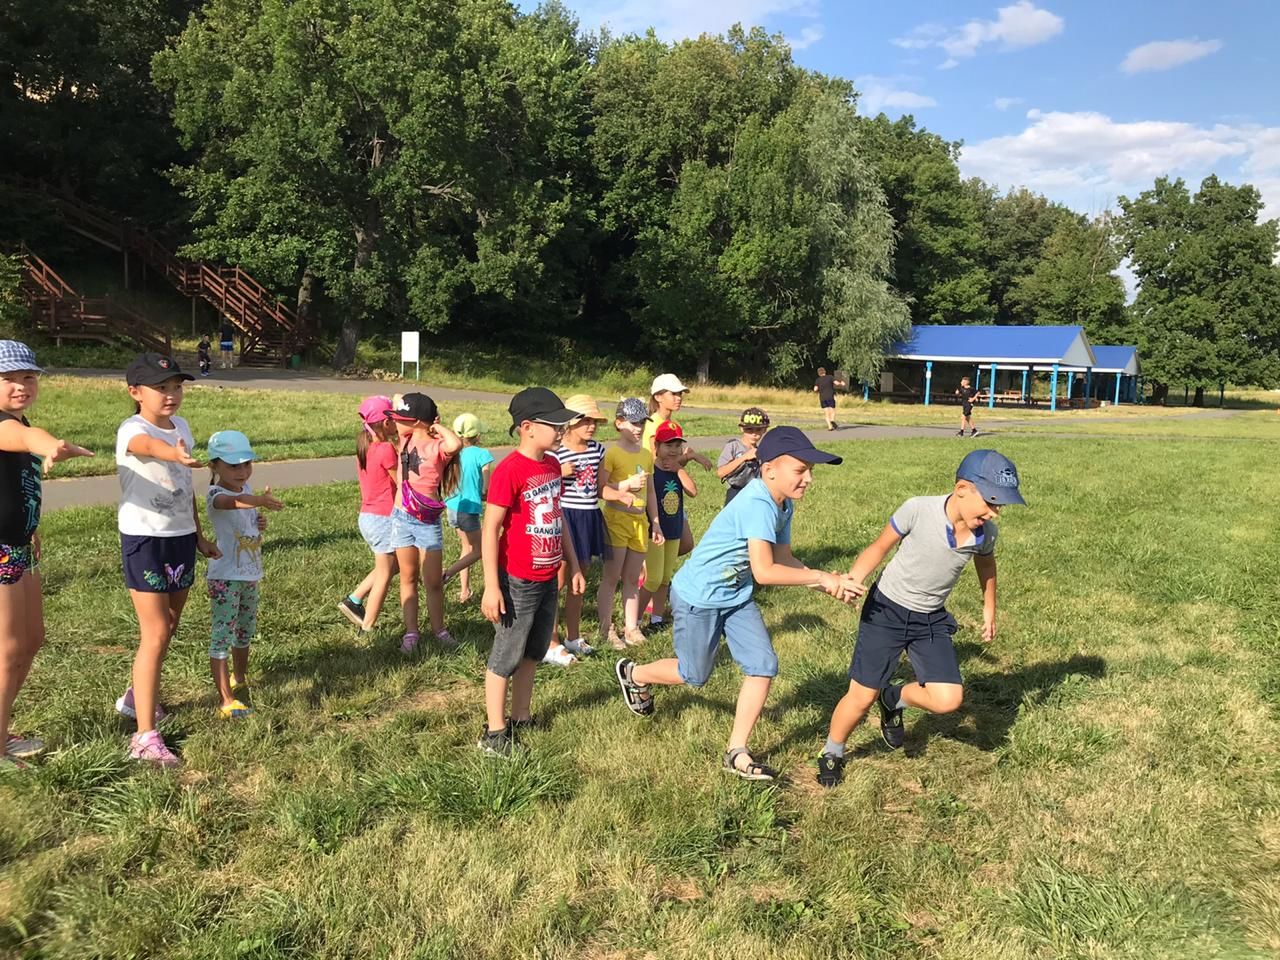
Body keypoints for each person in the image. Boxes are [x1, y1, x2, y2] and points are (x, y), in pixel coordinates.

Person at [615, 427, 862, 781]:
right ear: (769, 469)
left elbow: (784, 558)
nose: (808, 478)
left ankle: (737, 751)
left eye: (811, 471)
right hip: (699, 596)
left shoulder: (783, 503)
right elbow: (765, 571)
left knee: (762, 665)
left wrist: (826, 581)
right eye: (800, 470)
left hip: (735, 595)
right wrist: (823, 578)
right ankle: (633, 673)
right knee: (694, 675)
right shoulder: (758, 503)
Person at [815, 450, 1025, 789]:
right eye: (990, 501)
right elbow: (879, 547)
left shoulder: (985, 535)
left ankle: (894, 698)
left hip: (930, 619)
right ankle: (833, 750)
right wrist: (854, 577)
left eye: (1000, 506)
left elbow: (986, 567)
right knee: (861, 695)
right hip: (887, 611)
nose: (995, 512)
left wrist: (990, 608)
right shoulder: (918, 509)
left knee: (949, 699)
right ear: (961, 489)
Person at [115, 353, 220, 766]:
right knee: (156, 632)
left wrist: (198, 536)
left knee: (169, 626)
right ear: (135, 392)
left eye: (177, 386)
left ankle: (134, 697)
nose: (172, 395)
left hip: (178, 539)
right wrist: (173, 454)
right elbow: (147, 447)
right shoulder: (132, 429)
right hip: (146, 540)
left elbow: (184, 487)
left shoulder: (183, 428)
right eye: (162, 388)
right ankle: (144, 737)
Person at [0, 342, 94, 767]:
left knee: (32, 639)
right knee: (9, 648)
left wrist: (32, 527)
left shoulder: (19, 421)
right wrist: (50, 444)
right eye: (8, 379)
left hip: (21, 543)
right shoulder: (5, 426)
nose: (21, 385)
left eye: (28, 377)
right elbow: (24, 438)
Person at [478, 387, 584, 756]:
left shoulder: (553, 465)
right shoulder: (509, 470)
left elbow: (560, 518)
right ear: (527, 427)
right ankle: (494, 733)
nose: (561, 430)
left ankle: (521, 716)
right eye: (554, 424)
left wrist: (571, 562)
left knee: (533, 652)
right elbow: (490, 529)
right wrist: (492, 587)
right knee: (506, 655)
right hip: (517, 580)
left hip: (547, 576)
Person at [550, 394, 646, 664]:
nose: (591, 426)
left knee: (579, 582)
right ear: (569, 422)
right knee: (558, 580)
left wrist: (621, 494)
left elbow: (601, 488)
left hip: (589, 516)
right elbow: (541, 481)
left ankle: (573, 636)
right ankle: (551, 640)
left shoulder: (597, 450)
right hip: (565, 516)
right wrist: (559, 471)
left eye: (594, 421)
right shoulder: (555, 451)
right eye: (585, 420)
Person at [204, 430, 283, 719]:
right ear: (214, 466)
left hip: (249, 574)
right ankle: (226, 700)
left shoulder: (246, 489)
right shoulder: (216, 494)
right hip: (225, 576)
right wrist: (258, 501)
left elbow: (247, 517)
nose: (242, 471)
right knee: (222, 634)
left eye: (246, 464)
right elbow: (231, 504)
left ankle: (240, 678)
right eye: (233, 466)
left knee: (245, 631)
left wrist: (259, 521)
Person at [388, 393, 462, 654]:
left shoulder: (438, 446)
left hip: (426, 522)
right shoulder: (404, 439)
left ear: (418, 422)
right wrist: (405, 407)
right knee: (407, 577)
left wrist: (436, 425)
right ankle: (411, 631)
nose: (396, 422)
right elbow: (396, 399)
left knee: (432, 581)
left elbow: (455, 444)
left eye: (402, 419)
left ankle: (439, 629)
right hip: (401, 518)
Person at [598, 397, 660, 650]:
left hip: (639, 524)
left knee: (633, 578)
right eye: (633, 423)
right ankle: (605, 627)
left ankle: (631, 627)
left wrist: (654, 522)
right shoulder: (612, 453)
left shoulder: (646, 454)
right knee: (612, 577)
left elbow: (652, 492)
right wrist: (625, 486)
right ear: (619, 423)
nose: (639, 428)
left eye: (642, 424)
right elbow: (601, 488)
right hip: (616, 520)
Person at [338, 396, 400, 632]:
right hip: (383, 518)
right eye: (394, 418)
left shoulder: (366, 446)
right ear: (386, 423)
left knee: (395, 567)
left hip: (369, 517)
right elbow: (401, 483)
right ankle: (368, 625)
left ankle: (354, 600)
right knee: (386, 572)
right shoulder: (386, 450)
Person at [638, 421, 697, 631]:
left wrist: (680, 469)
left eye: (677, 445)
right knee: (652, 578)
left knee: (664, 578)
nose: (673, 450)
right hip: (655, 531)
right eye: (668, 445)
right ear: (657, 446)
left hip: (674, 530)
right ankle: (634, 621)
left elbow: (693, 491)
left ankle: (656, 619)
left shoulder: (676, 469)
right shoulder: (651, 470)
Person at [645, 373, 712, 555]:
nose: (678, 398)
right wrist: (687, 459)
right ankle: (643, 574)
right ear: (658, 397)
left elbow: (671, 463)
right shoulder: (653, 425)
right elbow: (661, 463)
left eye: (680, 394)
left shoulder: (670, 423)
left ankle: (656, 575)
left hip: (672, 490)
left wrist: (689, 458)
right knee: (664, 545)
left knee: (686, 544)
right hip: (658, 493)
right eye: (673, 394)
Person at [443, 413, 494, 604]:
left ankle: (464, 591)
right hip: (469, 509)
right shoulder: (482, 454)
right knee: (480, 550)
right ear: (478, 436)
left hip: (452, 507)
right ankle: (447, 574)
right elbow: (486, 485)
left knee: (467, 547)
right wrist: (486, 493)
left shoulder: (453, 454)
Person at [716, 407, 769, 505]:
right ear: (741, 428)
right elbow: (721, 472)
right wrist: (744, 457)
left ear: (764, 430)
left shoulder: (762, 451)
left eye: (758, 429)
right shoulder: (733, 446)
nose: (754, 433)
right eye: (749, 429)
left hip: (755, 493)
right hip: (735, 492)